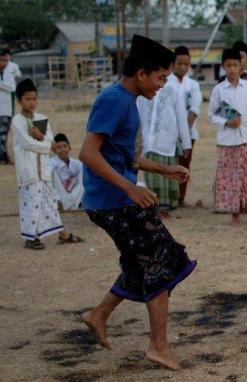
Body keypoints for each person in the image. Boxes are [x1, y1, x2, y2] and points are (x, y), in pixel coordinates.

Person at [78, 35, 196, 370]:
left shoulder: (127, 101)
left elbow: (123, 157)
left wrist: (163, 169)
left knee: (138, 262)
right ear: (141, 74)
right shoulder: (115, 100)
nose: (162, 84)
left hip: (113, 199)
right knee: (163, 258)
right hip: (112, 202)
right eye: (160, 77)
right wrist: (130, 190)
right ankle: (158, 346)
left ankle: (98, 315)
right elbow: (88, 153)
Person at [12, 79, 84, 249]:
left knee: (48, 202)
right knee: (31, 204)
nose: (32, 102)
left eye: (34, 98)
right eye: (27, 99)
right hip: (28, 172)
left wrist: (41, 138)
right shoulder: (17, 121)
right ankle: (31, 238)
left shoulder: (41, 118)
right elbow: (27, 143)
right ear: (19, 100)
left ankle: (62, 234)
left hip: (43, 171)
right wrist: (45, 144)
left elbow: (51, 141)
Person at [209, 48, 247, 226]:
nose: (233, 69)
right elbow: (211, 115)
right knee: (231, 179)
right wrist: (227, 123)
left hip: (245, 139)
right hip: (227, 142)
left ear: (241, 65)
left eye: (235, 65)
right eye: (229, 65)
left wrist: (244, 124)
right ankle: (235, 215)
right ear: (223, 67)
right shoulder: (218, 90)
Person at [137, 63, 192, 217]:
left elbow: (181, 118)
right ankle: (156, 209)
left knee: (168, 176)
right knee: (153, 176)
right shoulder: (145, 92)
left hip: (168, 141)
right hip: (148, 142)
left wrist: (186, 143)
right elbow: (139, 115)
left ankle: (166, 209)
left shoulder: (173, 92)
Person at [167, 46, 202, 208]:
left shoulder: (193, 85)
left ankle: (181, 198)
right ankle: (168, 198)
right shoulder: (166, 82)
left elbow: (195, 109)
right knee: (168, 165)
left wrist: (184, 133)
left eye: (186, 64)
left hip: (188, 133)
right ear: (173, 64)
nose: (183, 67)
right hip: (167, 134)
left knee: (184, 166)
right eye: (179, 63)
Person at [49, 133, 84, 211]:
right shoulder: (51, 163)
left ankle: (76, 203)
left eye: (65, 146)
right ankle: (61, 204)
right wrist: (58, 199)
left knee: (84, 171)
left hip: (73, 194)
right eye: (58, 147)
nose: (62, 150)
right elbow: (50, 184)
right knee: (53, 173)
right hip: (60, 195)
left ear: (69, 148)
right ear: (54, 151)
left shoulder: (76, 163)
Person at [0, 49, 15, 164]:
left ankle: (4, 157)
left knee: (4, 134)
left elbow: (11, 88)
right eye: (1, 60)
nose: (4, 63)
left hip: (5, 110)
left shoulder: (9, 73)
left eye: (6, 60)